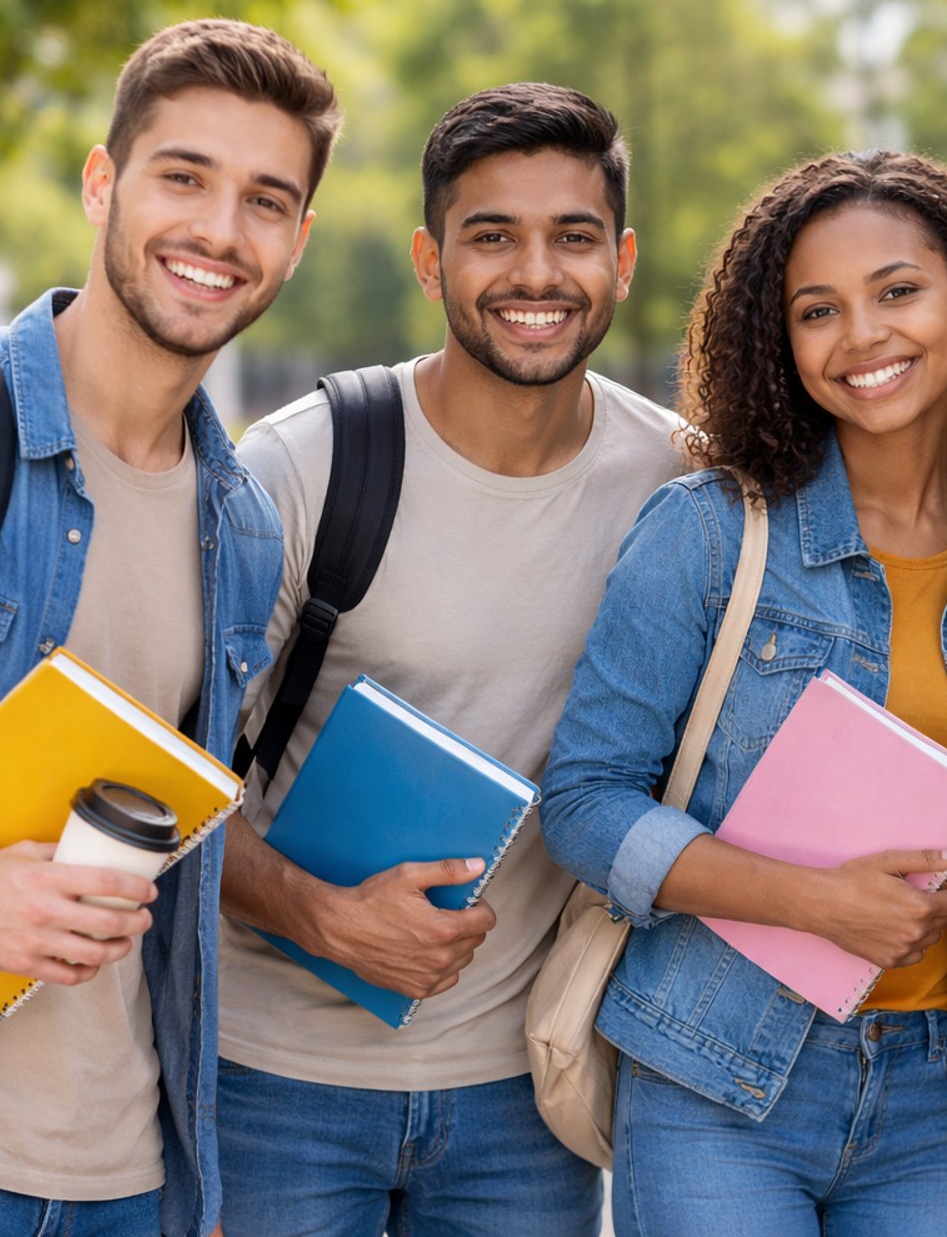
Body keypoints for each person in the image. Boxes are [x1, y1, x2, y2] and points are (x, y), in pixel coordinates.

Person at [0, 19, 338, 1237]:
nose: (219, 231)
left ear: (299, 242)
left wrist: (188, 1178)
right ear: (103, 183)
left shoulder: (243, 524)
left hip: (127, 1181)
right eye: (183, 176)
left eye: (266, 200)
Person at [538, 150, 947, 1236]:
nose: (863, 335)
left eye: (898, 290)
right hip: (712, 1073)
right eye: (819, 309)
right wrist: (812, 900)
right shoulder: (711, 530)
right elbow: (585, 801)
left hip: (941, 1094)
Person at [213, 82, 682, 1237]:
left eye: (572, 237)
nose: (536, 274)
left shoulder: (675, 485)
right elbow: (156, 771)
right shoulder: (305, 465)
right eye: (491, 237)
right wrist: (316, 911)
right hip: (270, 1080)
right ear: (431, 262)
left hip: (527, 1095)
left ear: (621, 260)